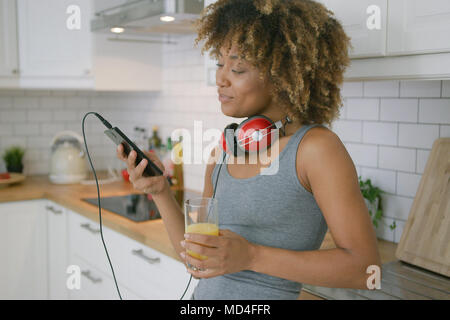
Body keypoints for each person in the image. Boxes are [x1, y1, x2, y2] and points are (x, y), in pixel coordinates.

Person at [117, 0, 381, 300]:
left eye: (238, 67)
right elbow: (195, 256)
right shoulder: (225, 149)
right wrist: (160, 190)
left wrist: (252, 256)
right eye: (220, 63)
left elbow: (366, 269)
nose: (220, 78)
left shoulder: (316, 149)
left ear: (282, 75)